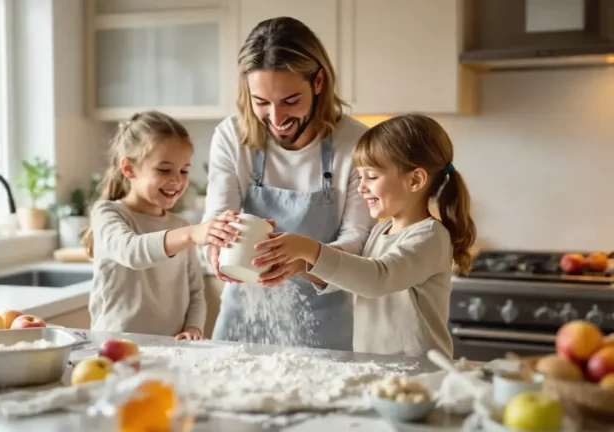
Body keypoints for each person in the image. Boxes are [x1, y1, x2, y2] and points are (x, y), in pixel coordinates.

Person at [201, 17, 375, 351]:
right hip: (242, 323)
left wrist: (306, 259)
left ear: (319, 81)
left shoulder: (355, 143)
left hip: (324, 332)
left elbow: (357, 244)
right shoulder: (231, 136)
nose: (277, 119)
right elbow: (217, 216)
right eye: (261, 102)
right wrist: (215, 243)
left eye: (290, 100)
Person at [252, 114, 477, 358]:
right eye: (361, 177)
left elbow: (377, 278)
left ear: (415, 180)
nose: (361, 187)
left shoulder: (431, 238)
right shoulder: (381, 230)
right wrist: (301, 264)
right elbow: (353, 274)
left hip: (420, 374)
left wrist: (308, 248)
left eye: (372, 176)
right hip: (376, 367)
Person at [82, 111, 238, 341]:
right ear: (129, 169)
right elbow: (132, 252)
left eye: (184, 170)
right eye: (164, 169)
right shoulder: (108, 213)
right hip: (113, 350)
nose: (177, 180)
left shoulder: (180, 227)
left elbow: (196, 292)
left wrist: (193, 328)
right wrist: (192, 233)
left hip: (169, 351)